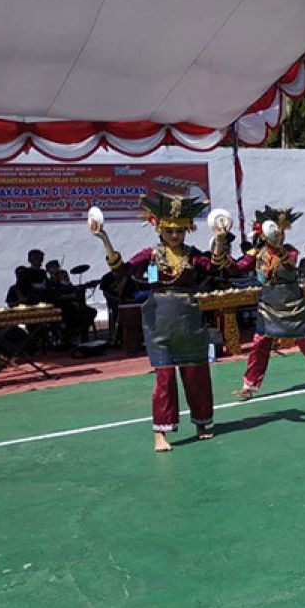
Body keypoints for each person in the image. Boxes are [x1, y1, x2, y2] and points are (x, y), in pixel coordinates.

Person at [89, 190, 235, 452]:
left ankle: (202, 423)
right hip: (159, 323)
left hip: (188, 321)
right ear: (159, 229)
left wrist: (220, 240)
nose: (175, 235)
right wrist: (105, 239)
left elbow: (214, 268)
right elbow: (124, 270)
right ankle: (160, 433)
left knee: (197, 375)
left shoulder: (193, 255)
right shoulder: (151, 255)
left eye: (180, 231)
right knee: (164, 379)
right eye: (170, 230)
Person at [231, 206, 305, 401]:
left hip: (292, 303)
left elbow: (290, 265)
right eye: (274, 231)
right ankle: (249, 385)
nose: (278, 235)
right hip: (269, 304)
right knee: (260, 343)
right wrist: (220, 247)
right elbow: (236, 268)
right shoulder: (257, 253)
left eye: (281, 232)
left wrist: (279, 250)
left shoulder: (290, 252)